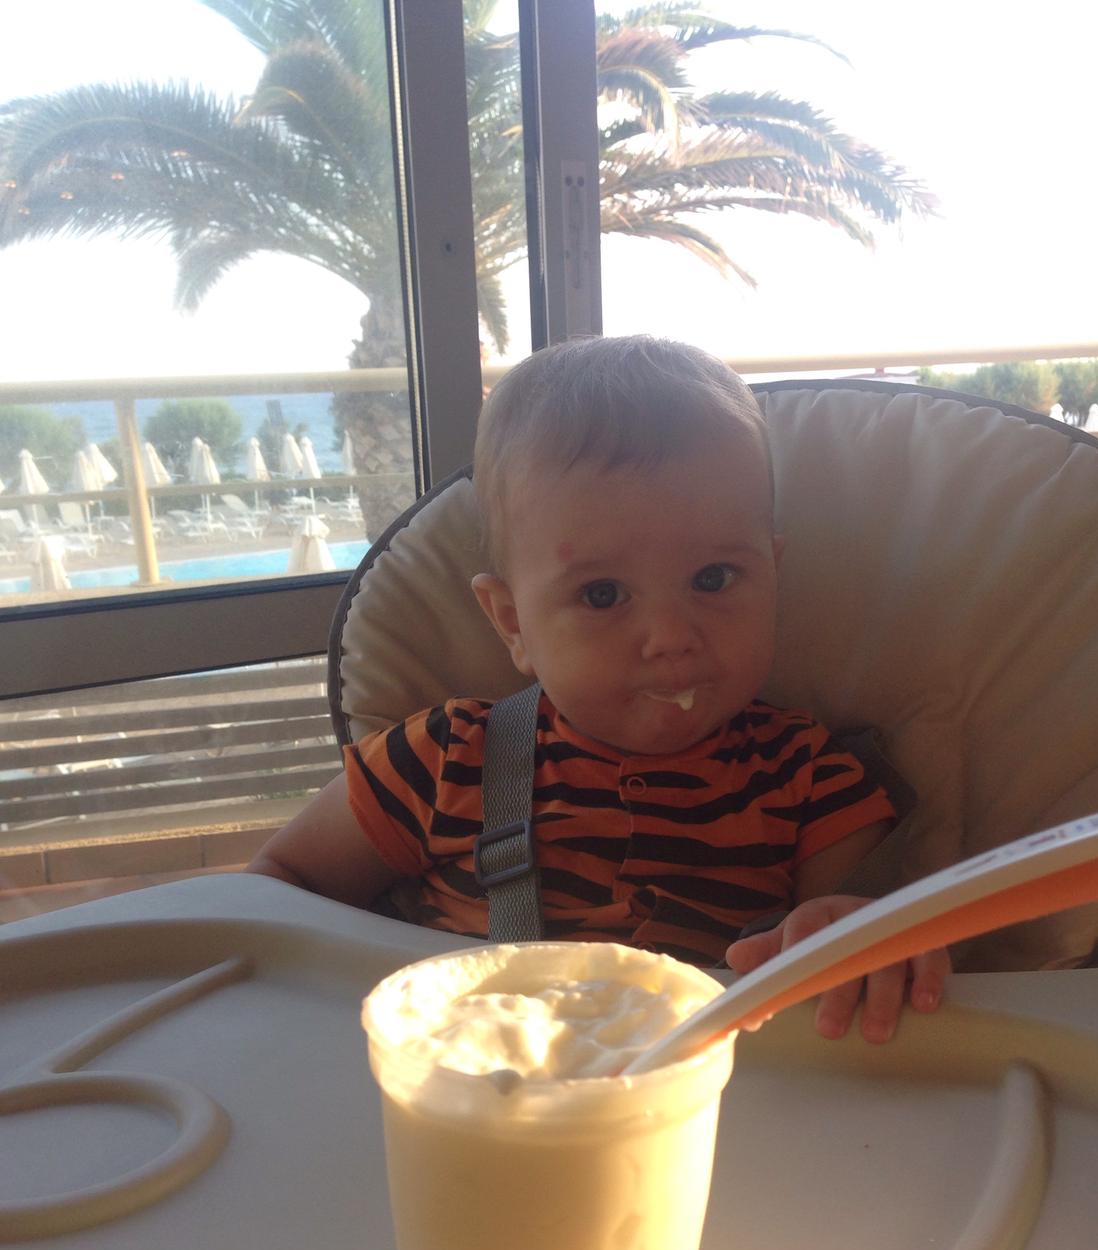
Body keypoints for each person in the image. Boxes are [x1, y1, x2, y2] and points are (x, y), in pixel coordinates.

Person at [247, 335, 949, 1042]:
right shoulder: (441, 760)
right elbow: (273, 890)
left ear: (772, 574)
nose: (670, 636)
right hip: (465, 1085)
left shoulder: (813, 781)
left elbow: (870, 943)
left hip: (717, 1098)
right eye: (603, 594)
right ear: (513, 623)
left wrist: (856, 936)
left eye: (713, 579)